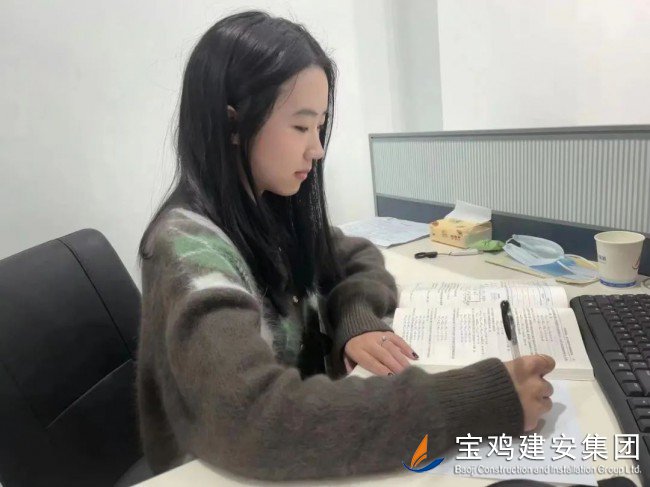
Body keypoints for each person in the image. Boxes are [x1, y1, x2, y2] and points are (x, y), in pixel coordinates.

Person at [136, 10, 555, 481]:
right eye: (301, 127)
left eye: (320, 127)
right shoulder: (187, 251)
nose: (316, 149)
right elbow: (255, 419)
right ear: (232, 125)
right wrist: (477, 403)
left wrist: (354, 320)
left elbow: (358, 256)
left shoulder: (268, 208)